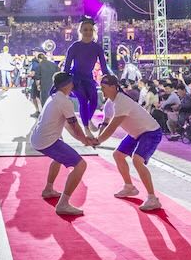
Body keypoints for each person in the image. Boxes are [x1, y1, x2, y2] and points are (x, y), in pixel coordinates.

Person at [92, 75, 163, 212]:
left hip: (151, 132)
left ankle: (152, 198)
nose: (102, 90)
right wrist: (97, 138)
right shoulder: (109, 103)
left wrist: (98, 141)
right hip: (136, 133)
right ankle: (129, 187)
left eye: (104, 87)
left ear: (113, 87)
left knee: (137, 160)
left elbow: (112, 127)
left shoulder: (122, 101)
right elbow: (105, 124)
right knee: (118, 155)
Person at [31, 72, 96, 216]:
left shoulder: (54, 97)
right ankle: (63, 204)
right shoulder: (64, 101)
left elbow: (68, 125)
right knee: (81, 165)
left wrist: (83, 139)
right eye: (71, 83)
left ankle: (48, 189)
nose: (73, 85)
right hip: (47, 141)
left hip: (38, 138)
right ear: (67, 84)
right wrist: (85, 139)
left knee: (58, 158)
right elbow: (74, 126)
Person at [63, 18, 111, 129]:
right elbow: (67, 66)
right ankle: (86, 128)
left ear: (93, 31)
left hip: (89, 78)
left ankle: (87, 120)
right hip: (76, 78)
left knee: (94, 101)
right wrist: (65, 81)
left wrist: (109, 78)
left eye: (90, 30)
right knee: (83, 100)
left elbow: (104, 66)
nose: (88, 32)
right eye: (85, 30)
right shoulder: (75, 46)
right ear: (80, 31)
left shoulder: (97, 48)